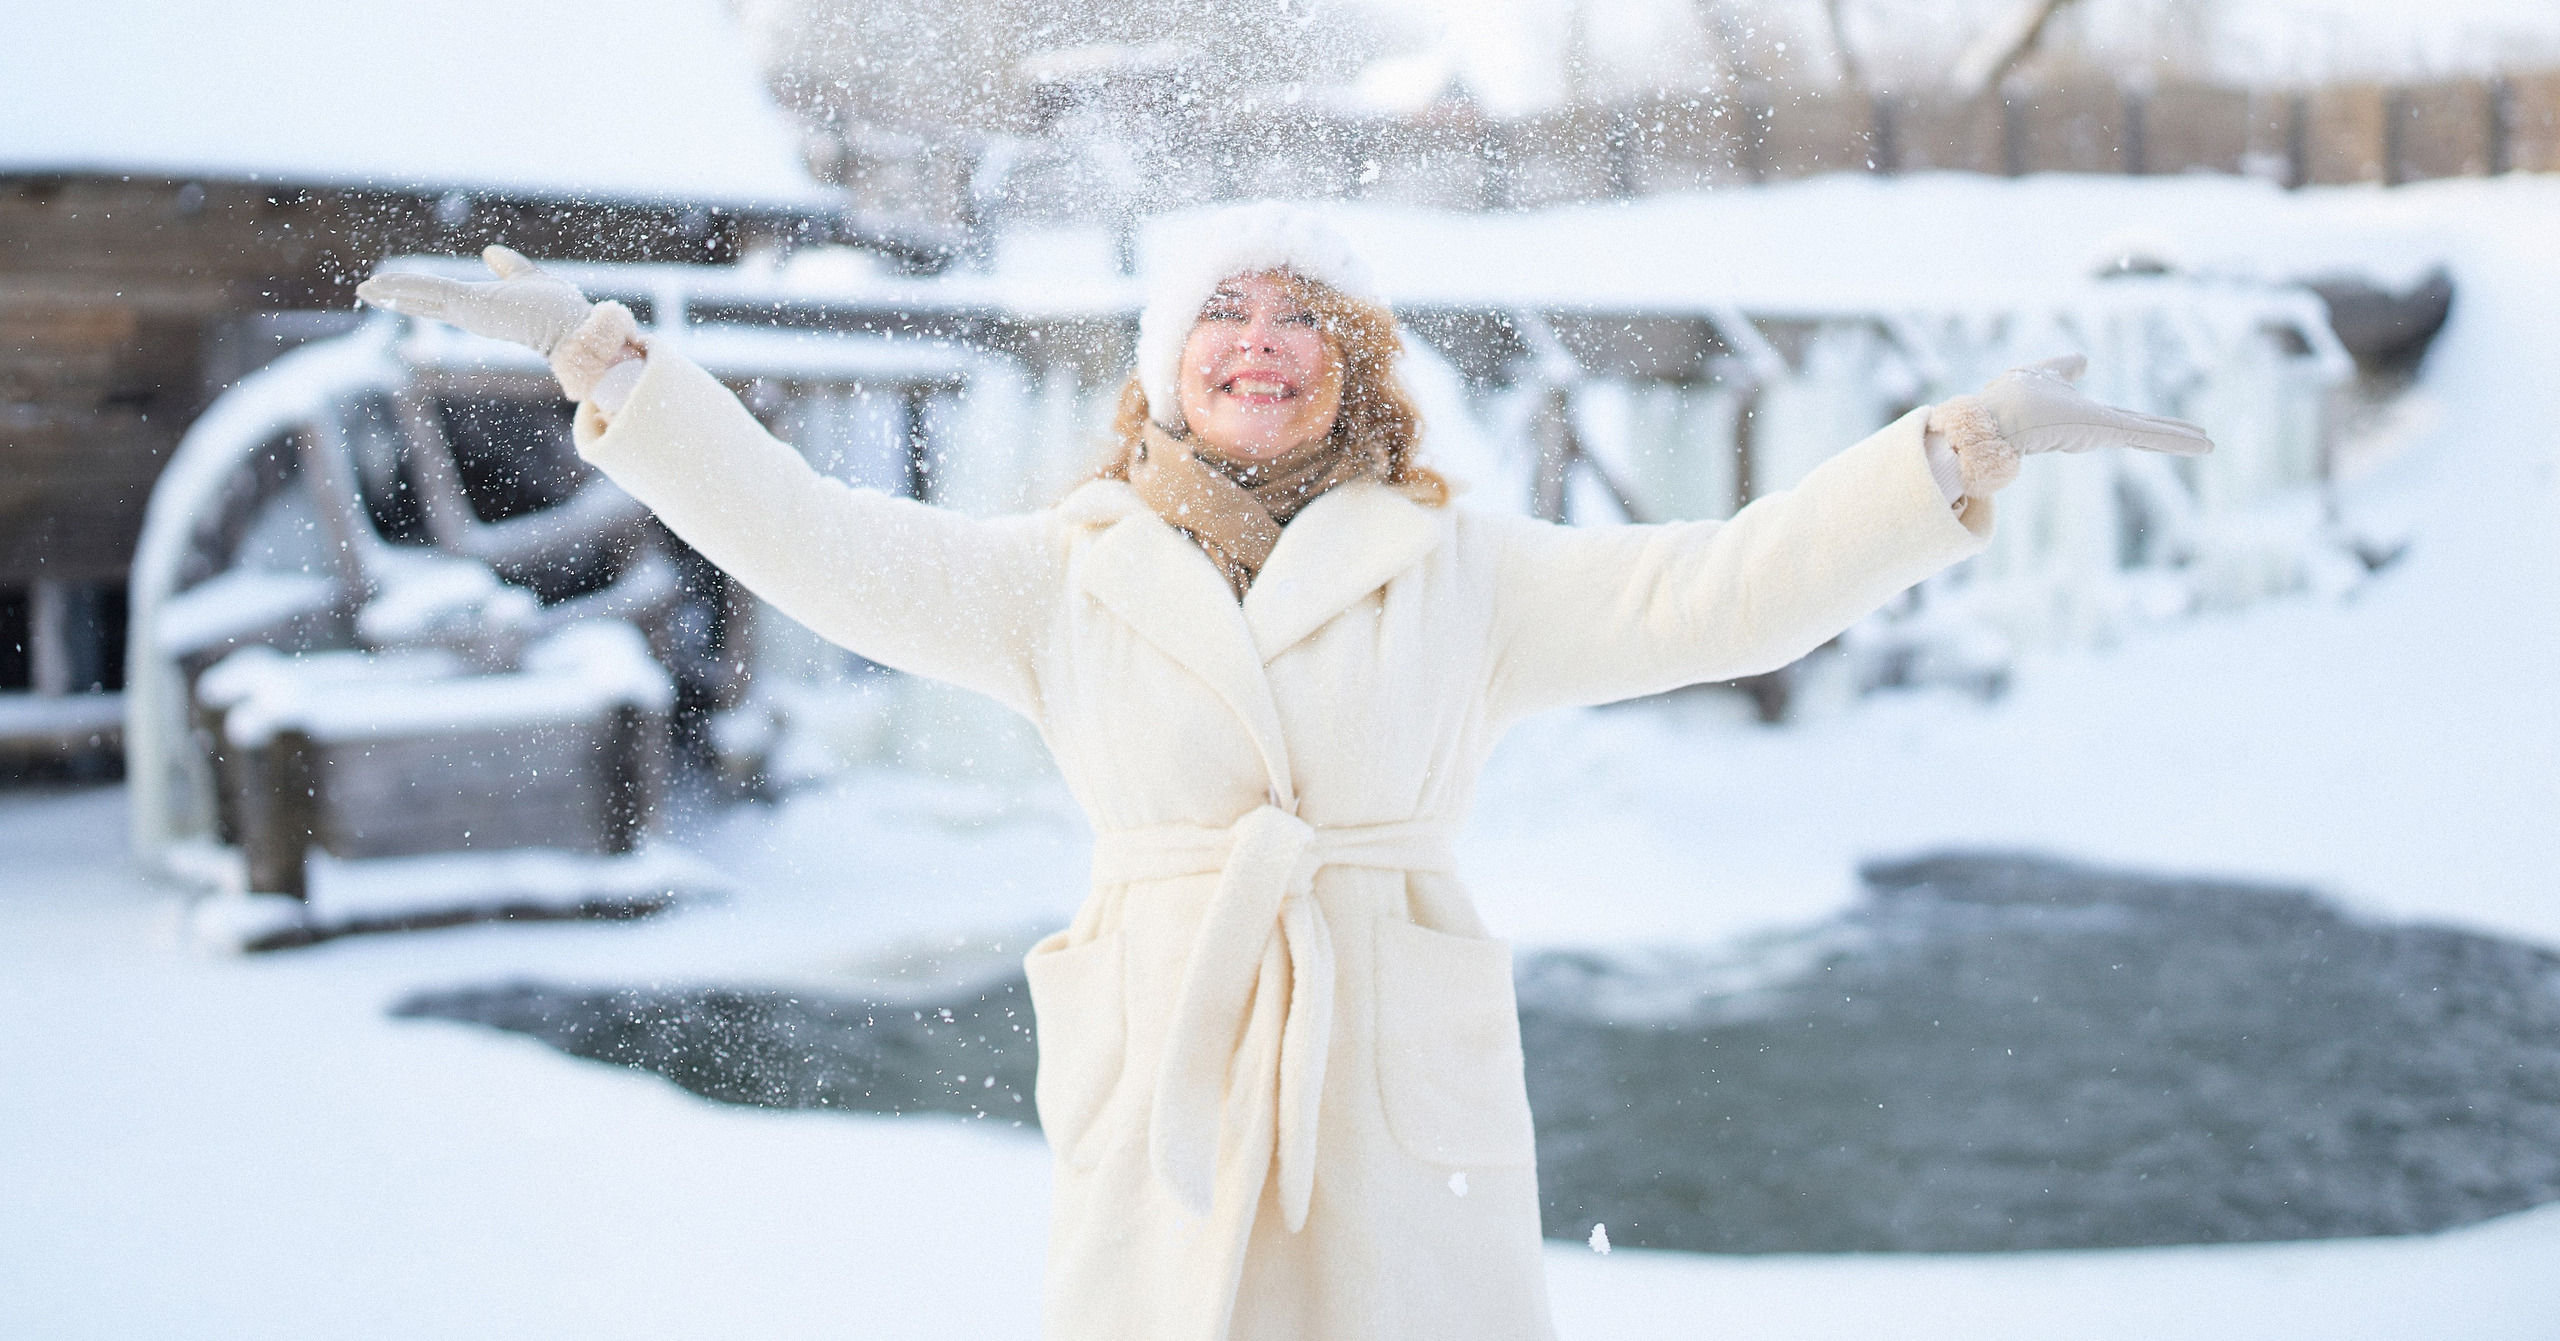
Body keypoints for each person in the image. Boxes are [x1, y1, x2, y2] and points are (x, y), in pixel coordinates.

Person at [357, 204, 2209, 1341]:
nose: (1263, 339)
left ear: (1356, 368)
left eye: (1303, 314)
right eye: (1227, 313)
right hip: (1168, 1048)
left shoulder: (1463, 568)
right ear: (1168, 366)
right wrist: (619, 371)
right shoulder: (1058, 574)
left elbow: (1719, 593)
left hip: (1397, 1065)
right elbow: (813, 539)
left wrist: (1947, 456)